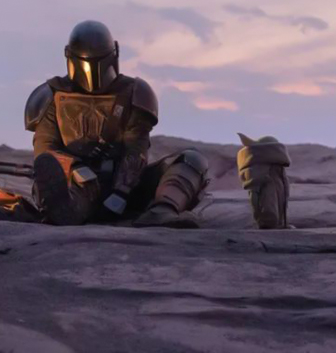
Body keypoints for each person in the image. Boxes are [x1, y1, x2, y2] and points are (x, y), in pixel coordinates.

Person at [23, 20, 209, 228]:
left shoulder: (134, 93)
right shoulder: (51, 95)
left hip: (128, 187)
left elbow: (136, 149)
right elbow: (45, 150)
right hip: (75, 184)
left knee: (191, 160)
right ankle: (66, 209)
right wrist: (76, 168)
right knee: (59, 183)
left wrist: (121, 191)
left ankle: (162, 211)